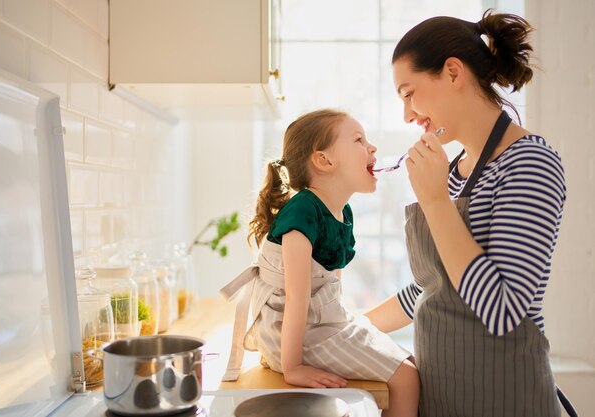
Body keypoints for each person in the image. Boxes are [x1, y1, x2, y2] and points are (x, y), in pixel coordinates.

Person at [365, 10, 574, 417]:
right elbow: (436, 288)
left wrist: (435, 202)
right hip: (444, 400)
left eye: (409, 93)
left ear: (454, 72)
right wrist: (347, 329)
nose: (407, 114)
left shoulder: (530, 163)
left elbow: (502, 310)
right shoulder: (456, 169)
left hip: (506, 402)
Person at [220, 109, 419, 417]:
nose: (373, 147)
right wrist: (293, 367)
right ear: (324, 161)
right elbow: (296, 300)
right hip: (289, 334)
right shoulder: (302, 214)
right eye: (358, 140)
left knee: (410, 365)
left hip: (316, 325)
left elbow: (328, 287)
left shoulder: (343, 212)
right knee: (407, 377)